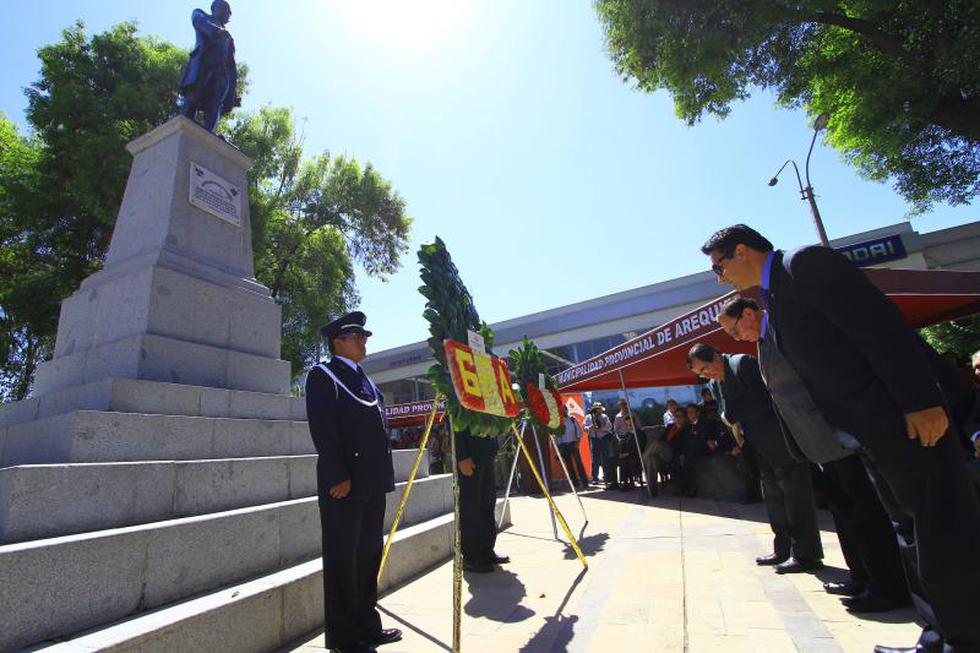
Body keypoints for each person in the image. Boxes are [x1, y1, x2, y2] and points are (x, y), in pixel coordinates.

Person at [702, 224, 980, 653]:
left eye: (718, 268)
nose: (720, 279)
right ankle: (938, 634)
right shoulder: (775, 296)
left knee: (941, 531)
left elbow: (882, 330)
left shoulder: (805, 266)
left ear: (741, 252)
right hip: (869, 434)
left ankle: (965, 638)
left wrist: (921, 402)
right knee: (911, 533)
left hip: (906, 424)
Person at [720, 296, 910, 612]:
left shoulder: (785, 330)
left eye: (734, 329)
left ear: (749, 313)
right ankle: (862, 577)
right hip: (815, 443)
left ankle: (887, 587)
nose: (735, 338)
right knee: (845, 516)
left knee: (866, 516)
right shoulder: (763, 341)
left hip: (836, 439)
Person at [305, 311, 402, 653]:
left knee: (367, 558)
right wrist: (337, 475)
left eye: (364, 337)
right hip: (344, 486)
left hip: (372, 483)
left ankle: (368, 627)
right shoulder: (323, 375)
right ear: (338, 342)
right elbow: (324, 429)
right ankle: (345, 639)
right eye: (356, 336)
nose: (363, 341)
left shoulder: (366, 381)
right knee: (342, 561)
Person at [688, 343, 824, 574]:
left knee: (796, 499)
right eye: (700, 374)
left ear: (716, 356)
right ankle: (782, 548)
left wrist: (730, 415)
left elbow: (762, 401)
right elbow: (725, 414)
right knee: (773, 499)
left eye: (704, 369)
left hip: (779, 442)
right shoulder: (714, 384)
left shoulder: (743, 364)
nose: (705, 375)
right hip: (756, 447)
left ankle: (806, 554)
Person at [178, 1, 240, 132]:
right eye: (225, 9)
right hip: (204, 65)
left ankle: (210, 134)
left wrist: (233, 90)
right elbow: (198, 22)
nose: (228, 13)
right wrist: (216, 31)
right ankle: (181, 129)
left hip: (221, 74)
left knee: (215, 104)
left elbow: (231, 64)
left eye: (229, 11)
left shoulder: (230, 38)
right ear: (214, 8)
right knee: (193, 97)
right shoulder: (201, 14)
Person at [455, 426, 509, 573]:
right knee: (471, 505)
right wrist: (462, 455)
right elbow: (454, 423)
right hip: (470, 455)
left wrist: (492, 445)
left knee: (487, 502)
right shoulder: (455, 401)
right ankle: (471, 556)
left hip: (485, 451)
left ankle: (486, 549)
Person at [557, 411, 588, 489]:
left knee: (578, 463)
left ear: (566, 410)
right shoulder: (558, 421)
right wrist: (559, 446)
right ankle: (575, 483)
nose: (563, 411)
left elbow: (579, 432)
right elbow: (558, 435)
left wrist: (577, 443)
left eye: (564, 409)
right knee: (569, 465)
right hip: (564, 445)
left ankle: (585, 482)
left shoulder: (572, 419)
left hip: (573, 444)